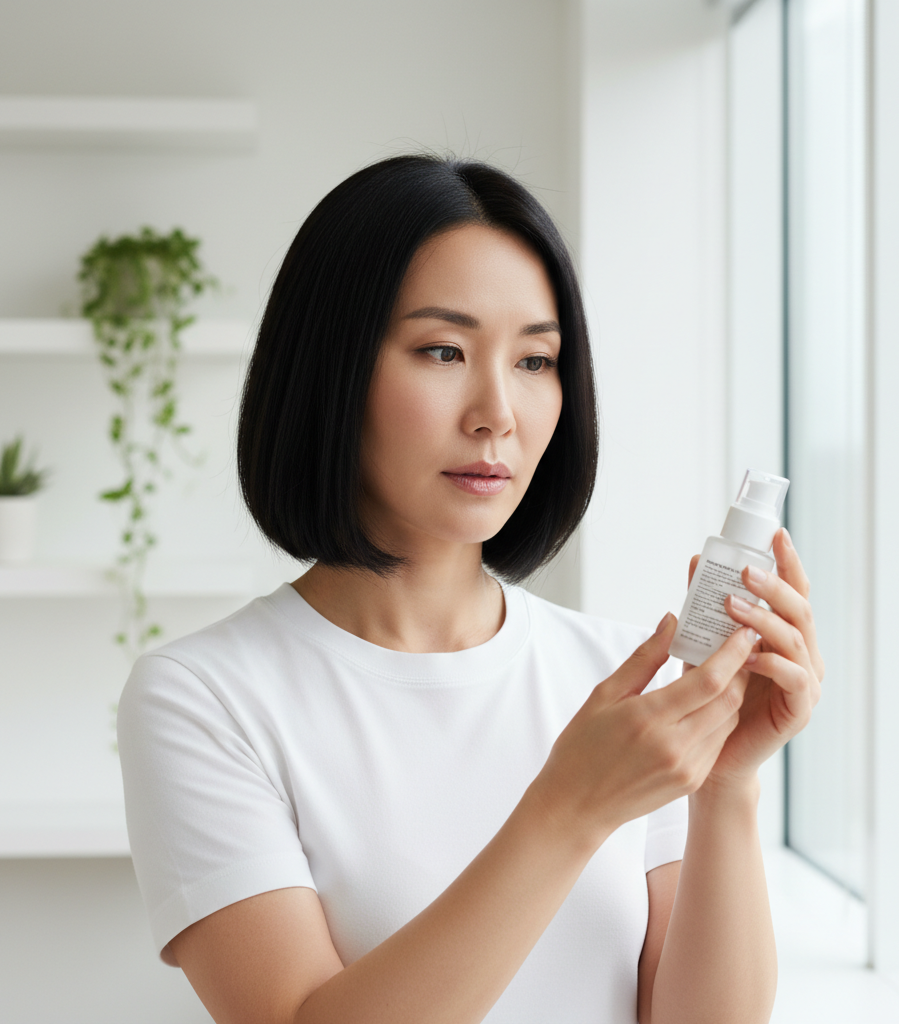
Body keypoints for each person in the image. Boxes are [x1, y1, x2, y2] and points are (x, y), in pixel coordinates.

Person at [117, 154, 823, 1024]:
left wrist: (726, 787)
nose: (498, 411)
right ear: (332, 372)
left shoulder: (620, 682)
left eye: (536, 360)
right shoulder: (205, 698)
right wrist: (568, 806)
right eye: (443, 350)